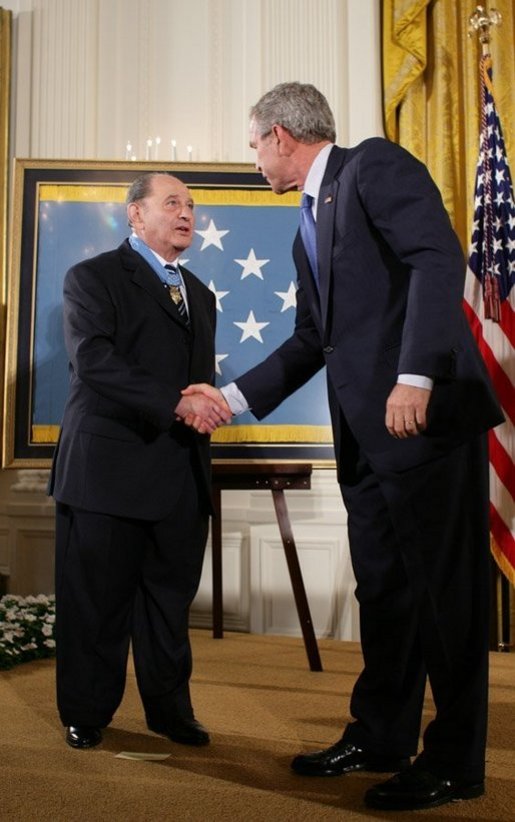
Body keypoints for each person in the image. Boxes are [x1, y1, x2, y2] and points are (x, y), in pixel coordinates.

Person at [181, 83, 504, 811]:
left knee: (442, 597)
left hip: (423, 422)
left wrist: (414, 375)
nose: (253, 158)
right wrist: (227, 400)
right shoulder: (307, 220)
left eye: (253, 144)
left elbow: (434, 258)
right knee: (384, 591)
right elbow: (310, 341)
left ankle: (454, 762)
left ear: (280, 135)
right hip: (366, 438)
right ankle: (380, 735)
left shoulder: (373, 167)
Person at [49, 172, 231, 751]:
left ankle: (170, 712)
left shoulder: (200, 295)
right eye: (172, 202)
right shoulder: (92, 278)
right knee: (96, 607)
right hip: (107, 475)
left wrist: (204, 402)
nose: (186, 214)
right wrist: (179, 403)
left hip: (179, 478)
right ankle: (86, 712)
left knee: (168, 608)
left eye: (192, 206)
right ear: (135, 214)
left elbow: (197, 380)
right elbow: (94, 362)